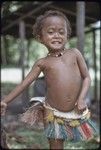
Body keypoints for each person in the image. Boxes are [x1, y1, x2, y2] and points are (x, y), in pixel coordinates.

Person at [1, 10, 98, 149]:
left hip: (75, 110)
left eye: (61, 32)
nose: (57, 36)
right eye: (51, 32)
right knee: (56, 146)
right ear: (40, 38)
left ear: (67, 35)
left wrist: (82, 98)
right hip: (52, 113)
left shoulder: (75, 53)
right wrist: (5, 101)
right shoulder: (42, 63)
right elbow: (24, 84)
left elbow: (87, 77)